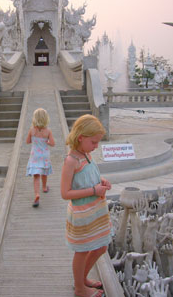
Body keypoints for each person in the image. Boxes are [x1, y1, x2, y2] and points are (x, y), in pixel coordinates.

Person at [60, 114, 113, 297]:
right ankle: (80, 288)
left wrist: (102, 181)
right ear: (80, 137)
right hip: (82, 213)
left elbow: (90, 177)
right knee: (82, 251)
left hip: (96, 211)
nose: (96, 146)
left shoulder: (87, 154)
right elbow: (65, 193)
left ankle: (81, 278)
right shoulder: (71, 161)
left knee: (101, 246)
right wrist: (93, 190)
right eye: (94, 142)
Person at [26, 108, 55, 208]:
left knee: (36, 176)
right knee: (44, 172)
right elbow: (52, 143)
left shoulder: (32, 130)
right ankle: (44, 187)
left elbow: (28, 141)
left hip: (35, 155)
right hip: (44, 155)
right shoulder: (48, 131)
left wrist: (35, 140)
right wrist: (46, 142)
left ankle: (37, 194)